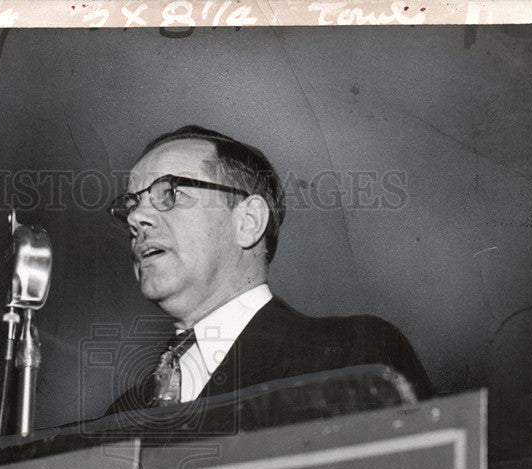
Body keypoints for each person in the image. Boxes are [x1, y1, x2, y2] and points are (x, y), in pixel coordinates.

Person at [105, 125, 432, 413]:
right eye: (132, 205)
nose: (136, 219)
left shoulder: (353, 356)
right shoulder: (120, 414)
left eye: (169, 193)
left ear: (248, 222)